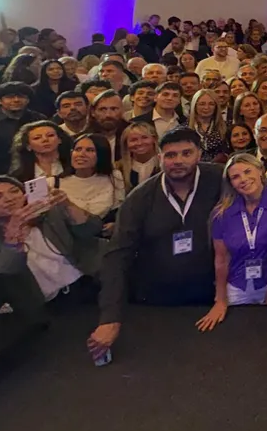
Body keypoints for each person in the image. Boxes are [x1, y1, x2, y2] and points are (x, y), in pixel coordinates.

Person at [87, 130, 225, 360]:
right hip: (156, 300)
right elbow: (117, 255)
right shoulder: (139, 198)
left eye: (186, 153)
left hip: (212, 297)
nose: (178, 160)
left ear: (199, 154)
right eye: (170, 155)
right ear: (159, 157)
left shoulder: (221, 180)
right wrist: (110, 318)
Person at [196, 153, 267, 331]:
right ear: (230, 183)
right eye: (235, 177)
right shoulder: (221, 213)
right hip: (237, 285)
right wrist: (220, 299)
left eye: (248, 171)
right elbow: (221, 259)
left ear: (260, 171)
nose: (243, 179)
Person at [0, 176, 102, 303]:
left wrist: (68, 205)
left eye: (14, 191)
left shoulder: (48, 214)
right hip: (45, 303)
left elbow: (92, 229)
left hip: (89, 282)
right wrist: (13, 231)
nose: (9, 199)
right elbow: (4, 269)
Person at [0, 83, 44, 177]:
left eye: (21, 96)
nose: (16, 100)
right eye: (10, 97)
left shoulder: (39, 120)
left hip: (37, 173)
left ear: (28, 100)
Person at [188, 89, 229, 163]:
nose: (206, 107)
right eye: (202, 104)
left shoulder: (227, 127)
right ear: (194, 106)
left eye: (211, 104)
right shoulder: (184, 129)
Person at [118, 122, 160, 192]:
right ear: (126, 144)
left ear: (154, 139)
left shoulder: (165, 164)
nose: (140, 143)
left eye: (144, 138)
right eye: (134, 140)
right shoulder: (119, 168)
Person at [86, 90, 127, 160]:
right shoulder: (83, 139)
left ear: (122, 110)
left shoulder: (134, 135)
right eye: (103, 109)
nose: (108, 115)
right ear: (93, 112)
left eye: (114, 109)